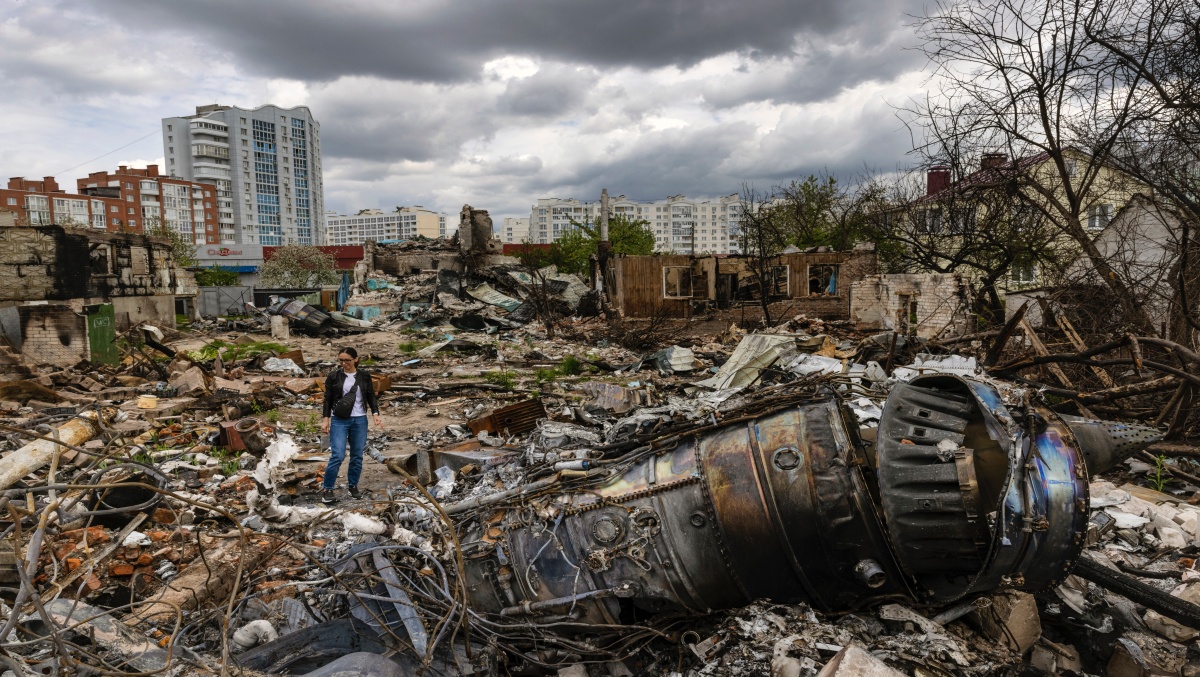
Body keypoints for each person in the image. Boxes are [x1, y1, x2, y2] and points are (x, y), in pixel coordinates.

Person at [321, 347, 382, 503]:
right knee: (338, 455)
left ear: (355, 359)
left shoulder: (364, 376)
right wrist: (325, 419)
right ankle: (328, 488)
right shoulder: (334, 376)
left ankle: (353, 486)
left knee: (357, 455)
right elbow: (328, 398)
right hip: (339, 419)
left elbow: (370, 395)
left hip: (360, 419)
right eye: (341, 360)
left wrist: (375, 414)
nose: (344, 363)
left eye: (347, 360)